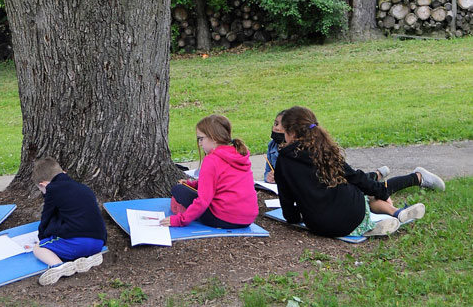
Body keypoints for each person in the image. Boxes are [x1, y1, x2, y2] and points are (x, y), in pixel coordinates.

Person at [274, 106, 444, 238]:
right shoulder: (323, 149)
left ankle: (390, 199)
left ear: (293, 133)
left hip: (319, 226)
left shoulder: (283, 160)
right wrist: (382, 192)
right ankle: (406, 190)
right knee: (364, 189)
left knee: (364, 185)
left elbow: (286, 199)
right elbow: (355, 177)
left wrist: (294, 218)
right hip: (353, 212)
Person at [161, 115, 258, 229]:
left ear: (214, 138)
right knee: (184, 188)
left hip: (222, 219)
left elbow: (203, 200)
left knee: (178, 190)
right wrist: (192, 184)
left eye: (201, 139)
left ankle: (187, 211)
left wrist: (180, 220)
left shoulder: (212, 160)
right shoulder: (238, 154)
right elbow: (222, 181)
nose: (200, 143)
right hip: (248, 218)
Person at [31, 157, 107, 286]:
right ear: (64, 173)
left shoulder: (52, 190)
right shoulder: (84, 188)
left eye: (42, 191)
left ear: (43, 185)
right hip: (98, 242)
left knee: (38, 249)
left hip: (76, 243)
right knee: (73, 239)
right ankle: (90, 257)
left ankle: (59, 266)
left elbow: (46, 218)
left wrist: (42, 237)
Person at [264, 110, 287, 183]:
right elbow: (267, 171)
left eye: (283, 126)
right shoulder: (272, 145)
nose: (277, 128)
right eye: (276, 124)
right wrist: (268, 177)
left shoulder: (297, 150)